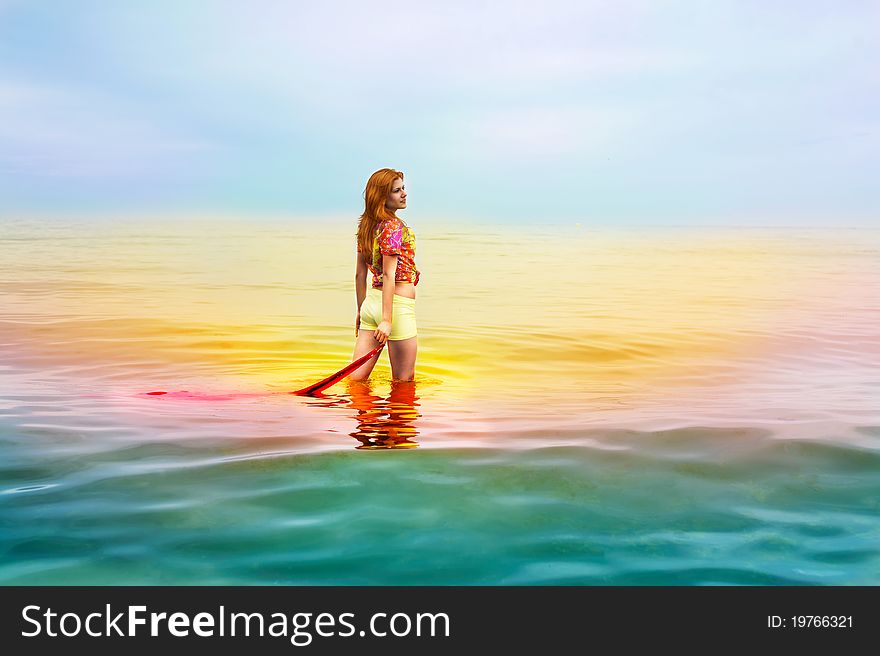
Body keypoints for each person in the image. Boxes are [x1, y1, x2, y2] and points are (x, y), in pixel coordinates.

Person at [350, 168, 419, 382]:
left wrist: (361, 311)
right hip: (396, 308)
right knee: (403, 383)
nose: (404, 194)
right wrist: (387, 320)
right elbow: (389, 275)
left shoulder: (367, 226)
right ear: (382, 197)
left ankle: (360, 414)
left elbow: (359, 275)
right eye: (397, 191)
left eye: (403, 188)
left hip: (370, 305)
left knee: (356, 380)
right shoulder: (393, 226)